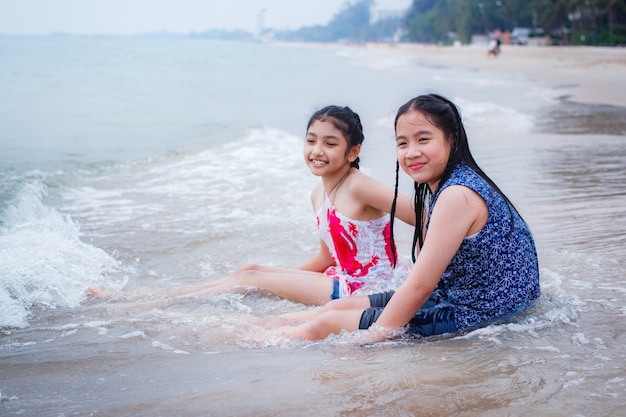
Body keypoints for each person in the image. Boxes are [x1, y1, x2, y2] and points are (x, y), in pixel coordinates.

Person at [257, 94, 541, 342]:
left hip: (480, 312)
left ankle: (247, 346)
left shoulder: (457, 194)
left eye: (423, 139)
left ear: (452, 140)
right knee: (333, 309)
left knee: (326, 324)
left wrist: (373, 339)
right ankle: (252, 329)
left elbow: (420, 287)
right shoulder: (454, 184)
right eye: (402, 143)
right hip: (467, 299)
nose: (411, 152)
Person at [87, 105, 415, 306]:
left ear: (352, 152)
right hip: (340, 276)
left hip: (366, 289)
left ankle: (135, 302)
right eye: (311, 140)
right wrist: (278, 280)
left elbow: (424, 216)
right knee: (249, 272)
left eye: (331, 143)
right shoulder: (318, 193)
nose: (317, 150)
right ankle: (160, 296)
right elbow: (327, 258)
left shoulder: (358, 186)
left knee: (253, 280)